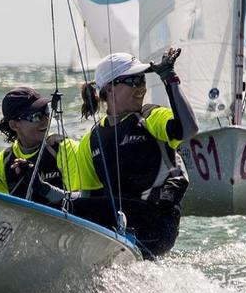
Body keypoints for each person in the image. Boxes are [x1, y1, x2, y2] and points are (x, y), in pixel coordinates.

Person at [35, 48, 198, 258]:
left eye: (142, 80)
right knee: (70, 208)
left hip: (157, 223)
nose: (141, 87)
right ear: (109, 89)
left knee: (66, 205)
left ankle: (53, 196)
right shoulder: (91, 140)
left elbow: (188, 129)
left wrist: (169, 77)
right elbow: (89, 199)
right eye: (133, 81)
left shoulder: (151, 117)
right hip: (119, 226)